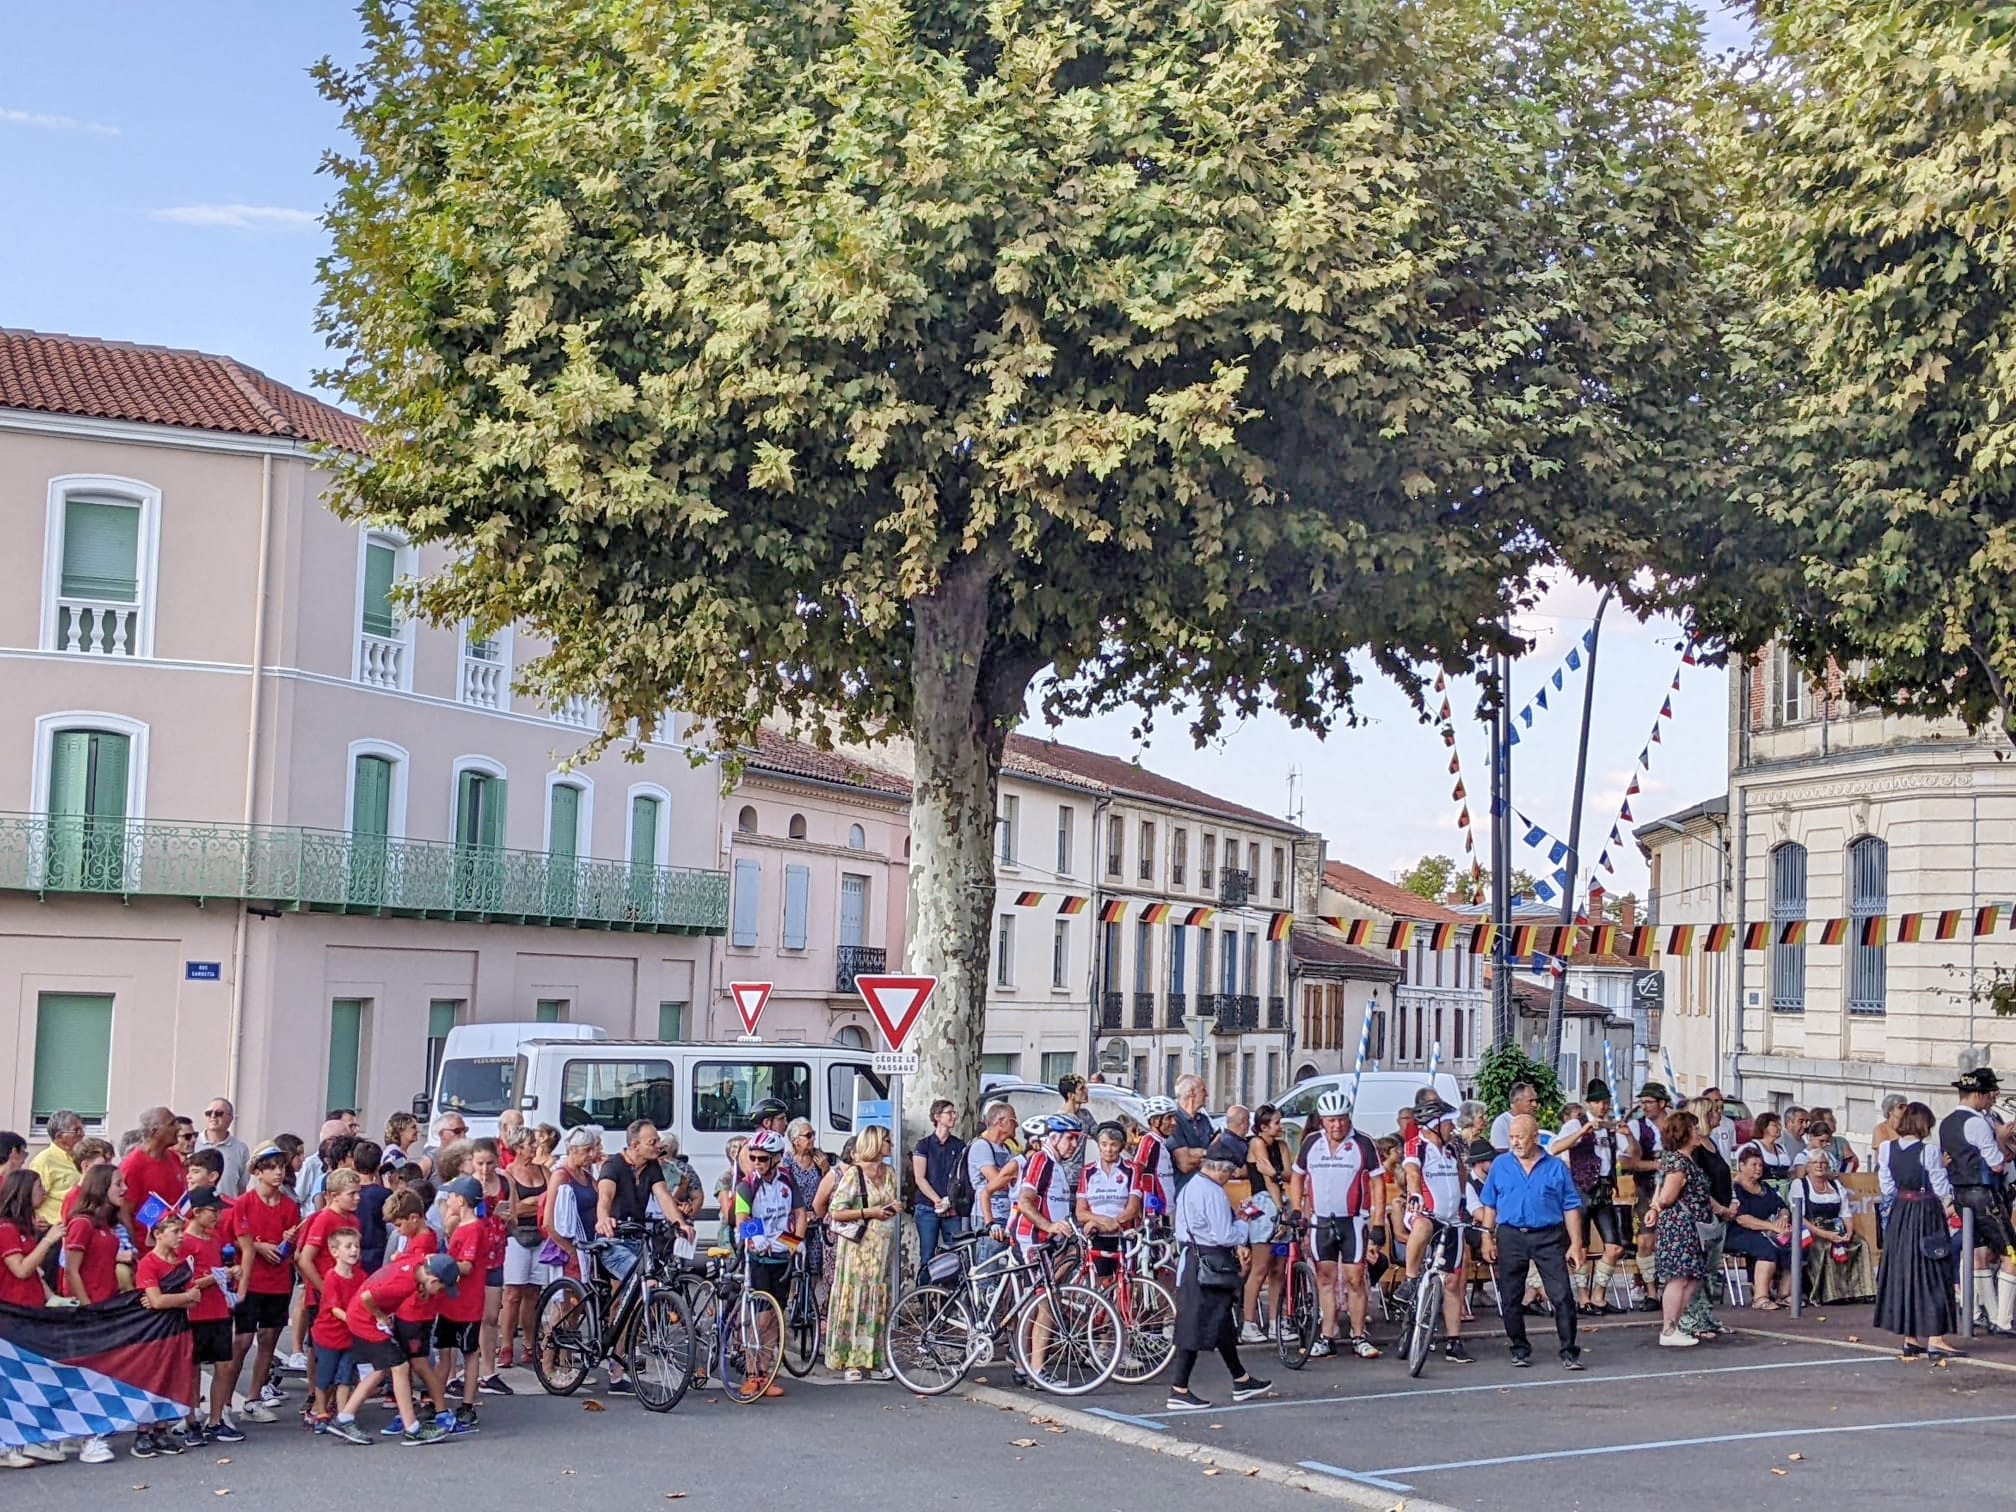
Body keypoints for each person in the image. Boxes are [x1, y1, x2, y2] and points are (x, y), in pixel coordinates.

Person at [1166, 1133, 1271, 1412]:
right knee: (1194, 1325)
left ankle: (1241, 1379)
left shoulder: (1191, 1185)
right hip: (1208, 1262)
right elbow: (1225, 1235)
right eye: (1230, 1171)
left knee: (1220, 1321)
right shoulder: (1212, 1192)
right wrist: (1243, 1222)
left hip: (1193, 1259)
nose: (1231, 1176)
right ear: (1222, 1168)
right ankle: (1179, 1388)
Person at [1476, 1113, 1585, 1369]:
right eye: (1511, 1137)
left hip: (1548, 1235)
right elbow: (1490, 1204)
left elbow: (1571, 1206)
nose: (1514, 1142)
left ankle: (1569, 1351)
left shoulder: (1556, 1167)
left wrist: (1576, 1243)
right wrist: (1486, 1236)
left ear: (1535, 1138)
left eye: (1520, 1137)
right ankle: (1519, 1348)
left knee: (1562, 1295)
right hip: (1511, 1234)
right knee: (1510, 1295)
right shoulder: (1500, 1165)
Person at [325, 1252, 459, 1446]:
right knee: (400, 1366)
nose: (440, 1292)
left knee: (382, 1369)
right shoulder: (404, 1284)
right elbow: (367, 1297)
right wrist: (379, 1315)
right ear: (433, 1280)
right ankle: (412, 1429)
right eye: (441, 1288)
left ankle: (344, 1418)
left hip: (360, 1319)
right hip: (364, 1322)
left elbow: (402, 1258)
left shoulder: (417, 1264)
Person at [1289, 1089, 1384, 1360]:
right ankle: (1327, 1336)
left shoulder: (1363, 1143)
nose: (1337, 1125)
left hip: (1352, 1222)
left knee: (1355, 1279)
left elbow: (1378, 1183)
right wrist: (1297, 1209)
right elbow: (1297, 1176)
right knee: (1324, 1279)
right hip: (1321, 1222)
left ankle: (1358, 1336)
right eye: (1331, 1120)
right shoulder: (1311, 1143)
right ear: (1322, 1120)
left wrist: (1378, 1223)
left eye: (1342, 1118)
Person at [1874, 1100, 1961, 1361]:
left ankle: (1910, 1338)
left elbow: (1887, 1188)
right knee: (1933, 1270)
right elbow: (1941, 1188)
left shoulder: (1887, 1148)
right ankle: (1936, 1338)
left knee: (1905, 1271)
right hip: (1926, 1212)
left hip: (1901, 1212)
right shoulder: (1929, 1151)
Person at [226, 1143, 301, 1423]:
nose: (278, 1172)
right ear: (258, 1172)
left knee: (268, 1339)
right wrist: (257, 1246)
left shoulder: (290, 1206)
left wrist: (288, 1242)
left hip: (279, 1281)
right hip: (251, 1279)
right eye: (271, 1167)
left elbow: (291, 1248)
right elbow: (232, 1239)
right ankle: (224, 1402)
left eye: (281, 1166)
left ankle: (253, 1398)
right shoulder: (243, 1203)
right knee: (242, 1341)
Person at [1939, 1067, 2016, 1336]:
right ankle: (2003, 1320)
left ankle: (1981, 1314)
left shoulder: (1947, 1123)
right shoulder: (1978, 1123)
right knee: (2012, 1253)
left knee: (1979, 1252)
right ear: (1978, 1094)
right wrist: (2001, 1140)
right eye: (1990, 1092)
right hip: (1985, 1195)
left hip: (1961, 1194)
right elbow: (1996, 1164)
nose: (1994, 1096)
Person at [1398, 1089, 1473, 1364]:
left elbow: (1461, 1173)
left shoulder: (1451, 1148)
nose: (1452, 1127)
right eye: (1448, 1122)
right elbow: (1411, 1171)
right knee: (1424, 1227)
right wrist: (1415, 1194)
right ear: (1434, 1125)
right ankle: (1410, 1279)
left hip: (1452, 1218)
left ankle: (1454, 1342)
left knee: (1452, 1282)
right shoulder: (1416, 1145)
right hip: (1424, 1212)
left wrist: (1464, 1199)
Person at [132, 1209, 211, 1459]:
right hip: (154, 1331)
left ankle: (161, 1429)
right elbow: (156, 1301)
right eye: (175, 1231)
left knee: (172, 1377)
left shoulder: (180, 1262)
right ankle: (143, 1432)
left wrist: (173, 1299)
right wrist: (182, 1297)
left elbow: (194, 1298)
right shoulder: (148, 1263)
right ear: (158, 1235)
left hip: (177, 1328)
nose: (180, 1236)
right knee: (152, 1378)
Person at [1549, 1079, 1631, 1315]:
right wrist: (1582, 1131)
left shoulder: (1610, 1127)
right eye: (1597, 1102)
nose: (1602, 1107)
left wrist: (1628, 1136)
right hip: (1581, 1190)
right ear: (1588, 1104)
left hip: (1604, 1190)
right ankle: (1583, 1298)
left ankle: (1598, 1296)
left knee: (1614, 1246)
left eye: (1605, 1102)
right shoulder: (1575, 1123)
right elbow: (1554, 1148)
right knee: (1580, 1247)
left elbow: (1629, 1153)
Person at [731, 1127, 803, 1398]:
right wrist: (756, 1236)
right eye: (753, 1158)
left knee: (775, 1317)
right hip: (758, 1257)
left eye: (762, 1158)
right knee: (760, 1318)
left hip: (781, 1255)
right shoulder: (747, 1185)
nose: (757, 1163)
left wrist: (794, 1242)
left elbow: (800, 1213)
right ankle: (751, 1374)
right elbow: (741, 1219)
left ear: (776, 1158)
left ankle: (766, 1372)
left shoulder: (787, 1180)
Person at [825, 1124, 900, 1382]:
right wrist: (870, 1212)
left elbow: (889, 1200)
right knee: (857, 1299)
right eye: (887, 1140)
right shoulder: (854, 1173)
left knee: (878, 1300)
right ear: (875, 1143)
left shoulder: (890, 1173)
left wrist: (893, 1207)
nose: (891, 1145)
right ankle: (852, 1359)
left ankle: (876, 1357)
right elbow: (836, 1211)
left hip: (882, 1247)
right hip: (858, 1247)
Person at [176, 1187, 239, 1444]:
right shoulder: (184, 1242)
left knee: (224, 1365)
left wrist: (226, 1276)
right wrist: (216, 1277)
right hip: (195, 1313)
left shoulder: (214, 1238)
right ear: (196, 1212)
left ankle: (216, 1419)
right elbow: (184, 1281)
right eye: (213, 1211)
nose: (217, 1216)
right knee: (192, 1369)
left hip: (219, 1309)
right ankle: (191, 1421)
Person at [1646, 1109, 1711, 1348]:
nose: (1698, 1132)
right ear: (1684, 1133)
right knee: (1679, 1277)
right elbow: (1667, 1196)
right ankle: (1669, 1328)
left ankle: (1675, 1324)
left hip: (1689, 1226)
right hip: (1680, 1226)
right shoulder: (1679, 1163)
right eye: (1694, 1128)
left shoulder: (1681, 1160)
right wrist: (1657, 1206)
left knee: (1691, 1277)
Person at [1676, 1098, 1737, 1340]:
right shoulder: (1695, 1149)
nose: (1719, 1115)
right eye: (1714, 1112)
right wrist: (1719, 1208)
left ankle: (1707, 1316)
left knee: (1711, 1270)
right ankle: (1691, 1319)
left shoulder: (1710, 1143)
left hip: (1719, 1214)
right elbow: (1698, 1185)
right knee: (1697, 1270)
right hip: (1704, 1214)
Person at [1789, 1150, 1876, 1304]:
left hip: (1836, 1228)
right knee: (1825, 1246)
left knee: (1860, 1243)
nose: (1819, 1166)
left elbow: (1845, 1212)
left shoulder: (1836, 1185)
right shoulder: (1800, 1184)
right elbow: (1799, 1218)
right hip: (1812, 1231)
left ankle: (1860, 1291)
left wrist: (1849, 1232)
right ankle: (1829, 1294)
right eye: (1815, 1163)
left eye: (1823, 1162)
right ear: (1808, 1166)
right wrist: (1824, 1234)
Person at [1240, 1104, 1291, 1344]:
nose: (1280, 1127)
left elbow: (1287, 1174)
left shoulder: (1282, 1146)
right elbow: (1268, 1179)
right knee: (1260, 1267)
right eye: (1276, 1123)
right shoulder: (1256, 1143)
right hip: (1264, 1205)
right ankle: (1248, 1323)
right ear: (1263, 1126)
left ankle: (1275, 1321)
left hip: (1280, 1200)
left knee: (1279, 1268)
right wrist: (1280, 1211)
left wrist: (1276, 1174)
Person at [306, 1226, 364, 1433]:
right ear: (334, 1252)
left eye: (356, 1246)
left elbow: (366, 1298)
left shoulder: (360, 1276)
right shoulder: (331, 1277)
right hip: (328, 1336)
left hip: (350, 1337)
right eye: (348, 1246)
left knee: (346, 1375)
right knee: (325, 1375)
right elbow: (334, 1308)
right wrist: (353, 1319)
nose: (354, 1250)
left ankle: (343, 1414)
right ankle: (321, 1411)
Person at [1077, 1121, 1143, 1285]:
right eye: (1104, 1144)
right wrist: (1102, 1222)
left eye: (1113, 1145)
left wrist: (1110, 1224)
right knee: (1102, 1284)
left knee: (1125, 1282)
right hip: (1097, 1235)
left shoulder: (1131, 1169)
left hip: (1124, 1235)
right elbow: (1080, 1212)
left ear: (1121, 1146)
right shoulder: (1087, 1172)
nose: (1108, 1149)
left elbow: (1133, 1208)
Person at [1725, 1150, 1792, 1310]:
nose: (1758, 1168)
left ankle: (1784, 1294)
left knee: (1793, 1245)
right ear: (1742, 1166)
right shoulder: (1733, 1188)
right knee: (1766, 1248)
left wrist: (1783, 1219)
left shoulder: (1764, 1187)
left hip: (1765, 1230)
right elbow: (1742, 1219)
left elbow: (1782, 1206)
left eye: (1761, 1165)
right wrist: (1772, 1226)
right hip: (1738, 1233)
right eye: (1754, 1165)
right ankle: (1760, 1297)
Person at [911, 1099, 966, 1284]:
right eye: (949, 1113)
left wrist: (950, 1201)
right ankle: (924, 1295)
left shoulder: (959, 1145)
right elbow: (920, 1178)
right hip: (927, 1207)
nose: (953, 1116)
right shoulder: (924, 1145)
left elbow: (961, 1177)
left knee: (954, 1256)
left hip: (952, 1207)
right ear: (937, 1117)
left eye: (954, 1112)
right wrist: (937, 1200)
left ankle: (950, 1296)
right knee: (927, 1255)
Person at [119, 1106, 187, 1249]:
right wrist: (134, 1248)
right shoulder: (133, 1165)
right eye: (172, 1124)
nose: (179, 1127)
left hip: (176, 1245)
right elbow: (124, 1212)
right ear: (154, 1132)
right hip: (148, 1250)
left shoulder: (173, 1158)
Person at [966, 1101, 1021, 1264]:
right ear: (1000, 1121)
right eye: (1013, 1121)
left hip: (1007, 1216)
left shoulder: (1008, 1149)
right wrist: (1010, 1177)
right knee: (988, 1265)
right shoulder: (981, 1146)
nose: (1016, 1125)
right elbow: (998, 1180)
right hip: (988, 1217)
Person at [0, 1169, 59, 1309]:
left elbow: (34, 1270)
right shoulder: (6, 1229)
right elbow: (21, 1270)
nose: (44, 1191)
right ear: (25, 1191)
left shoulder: (22, 1228)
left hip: (33, 1303)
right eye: (39, 1187)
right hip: (15, 1308)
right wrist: (47, 1240)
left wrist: (52, 1297)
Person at [29, 1109, 85, 1232]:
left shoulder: (81, 1157)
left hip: (78, 1225)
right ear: (59, 1136)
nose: (82, 1134)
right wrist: (33, 1220)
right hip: (54, 1229)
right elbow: (29, 1198)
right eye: (76, 1130)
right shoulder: (44, 1161)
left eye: (82, 1129)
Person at [1131, 1096, 1179, 1219]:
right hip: (1154, 1210)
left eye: (1174, 1117)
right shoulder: (1149, 1141)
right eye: (1169, 1118)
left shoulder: (1162, 1142)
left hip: (1167, 1209)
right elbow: (1136, 1171)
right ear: (1155, 1121)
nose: (1174, 1122)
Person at [195, 1098, 251, 1199]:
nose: (213, 1116)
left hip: (228, 1207)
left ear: (230, 1118)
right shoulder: (193, 1143)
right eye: (209, 1113)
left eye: (219, 1113)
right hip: (196, 1207)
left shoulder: (241, 1149)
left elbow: (242, 1189)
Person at [1169, 1075, 1214, 1193]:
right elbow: (1184, 1164)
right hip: (1181, 1190)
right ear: (1191, 1093)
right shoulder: (1173, 1121)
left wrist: (1195, 1153)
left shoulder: (1204, 1120)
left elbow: (1217, 1154)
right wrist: (1206, 1153)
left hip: (1205, 1188)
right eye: (1203, 1090)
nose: (1207, 1094)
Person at [1737, 1111, 1794, 1180]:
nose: (1779, 1128)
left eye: (1779, 1125)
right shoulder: (1751, 1147)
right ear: (1763, 1127)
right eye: (1775, 1125)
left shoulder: (1781, 1148)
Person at [1489, 1083, 1538, 1153]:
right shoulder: (1502, 1123)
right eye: (1530, 1101)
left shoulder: (1531, 1121)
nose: (1535, 1104)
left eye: (1535, 1101)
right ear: (1517, 1101)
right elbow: (1501, 1154)